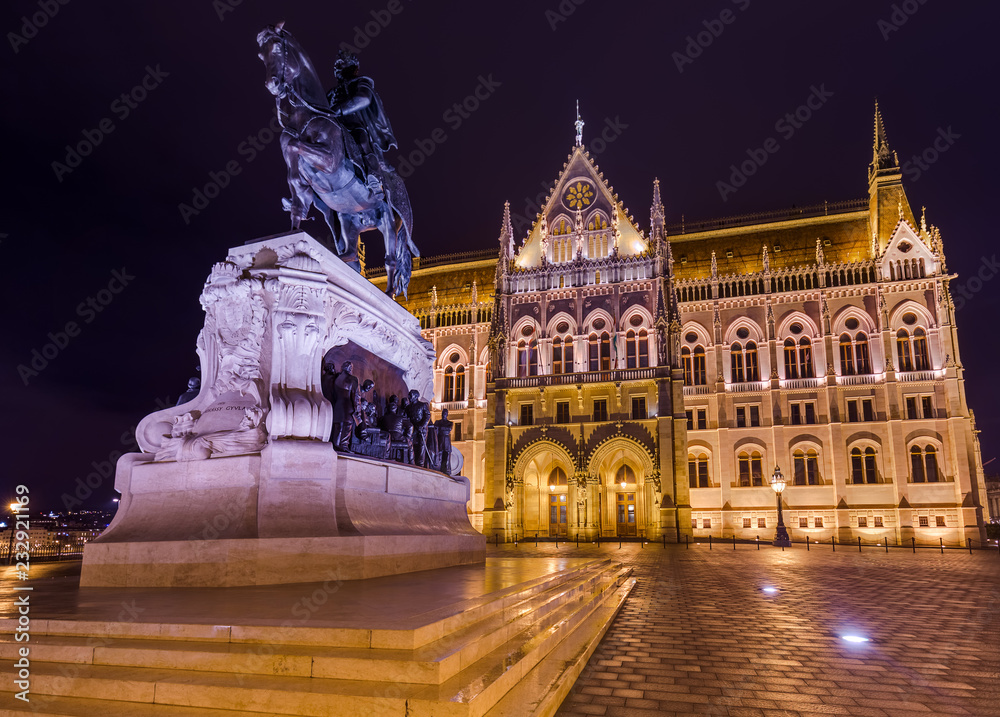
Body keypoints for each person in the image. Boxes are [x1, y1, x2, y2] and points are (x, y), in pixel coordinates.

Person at [327, 50, 397, 197]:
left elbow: (363, 99)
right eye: (335, 65)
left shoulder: (362, 82)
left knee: (361, 138)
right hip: (333, 125)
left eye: (340, 64)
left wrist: (338, 110)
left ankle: (374, 178)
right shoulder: (331, 92)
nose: (336, 68)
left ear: (352, 66)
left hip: (355, 123)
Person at [331, 361, 360, 451]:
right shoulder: (353, 379)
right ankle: (344, 447)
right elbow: (356, 396)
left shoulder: (337, 378)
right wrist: (357, 411)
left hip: (337, 405)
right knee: (347, 427)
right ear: (350, 369)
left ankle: (336, 446)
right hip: (348, 406)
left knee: (338, 427)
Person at [404, 389, 431, 467]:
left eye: (411, 395)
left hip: (421, 428)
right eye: (409, 395)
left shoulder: (422, 405)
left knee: (421, 445)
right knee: (410, 443)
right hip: (412, 428)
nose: (409, 397)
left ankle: (420, 463)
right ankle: (411, 460)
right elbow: (406, 417)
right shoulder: (408, 407)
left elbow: (427, 416)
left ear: (416, 397)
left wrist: (422, 425)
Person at [434, 409, 454, 475]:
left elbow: (449, 429)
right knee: (439, 453)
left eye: (445, 413)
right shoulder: (438, 422)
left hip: (446, 439)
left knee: (446, 454)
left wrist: (440, 428)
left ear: (447, 414)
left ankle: (446, 468)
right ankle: (438, 466)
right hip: (440, 438)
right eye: (443, 413)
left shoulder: (450, 423)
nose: (444, 414)